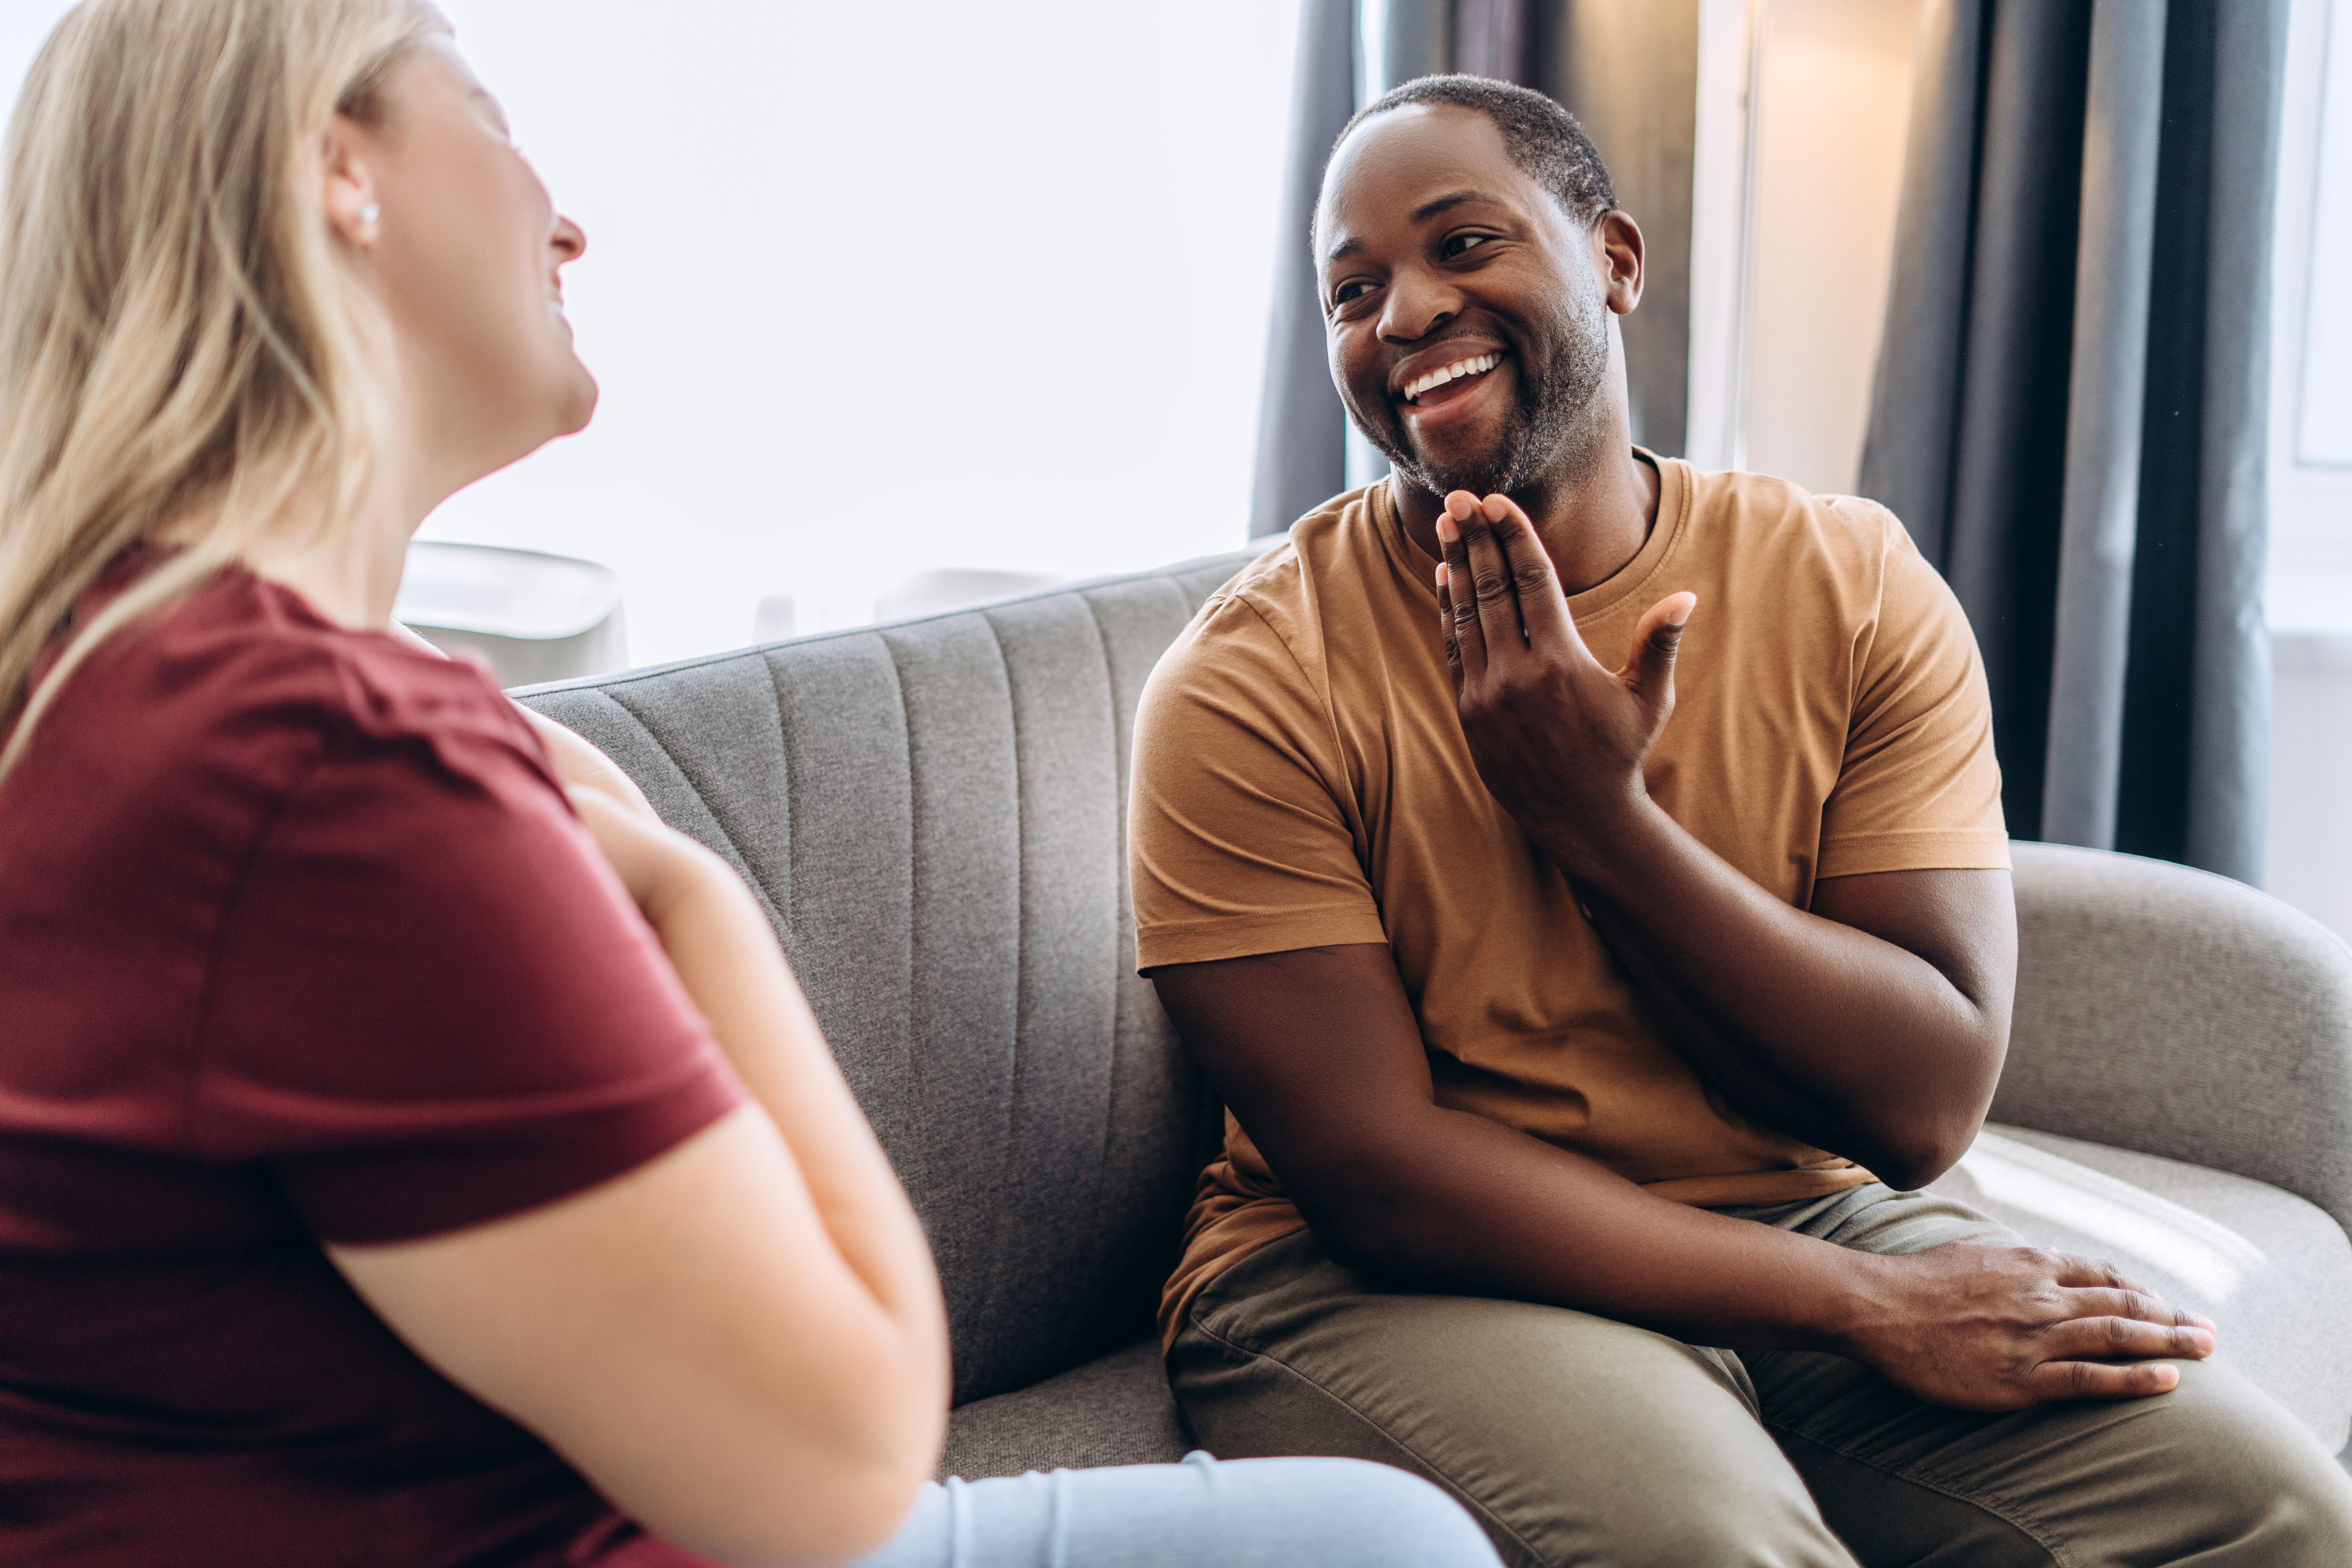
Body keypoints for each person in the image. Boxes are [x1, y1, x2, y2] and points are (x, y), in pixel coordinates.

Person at [0, 5, 1507, 1566]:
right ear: (339, 170)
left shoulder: (100, 677)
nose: (564, 218)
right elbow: (841, 1466)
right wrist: (675, 880)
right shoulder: (326, 775)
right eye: (494, 121)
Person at [1130, 73, 2352, 1568]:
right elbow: (1377, 1177)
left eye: (1463, 244)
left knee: (2275, 1514)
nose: (1403, 314)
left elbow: (1922, 1105)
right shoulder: (1247, 683)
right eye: (1352, 290)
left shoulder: (1852, 586)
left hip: (1806, 1218)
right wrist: (1867, 1309)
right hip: (1380, 1278)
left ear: (1616, 260)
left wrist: (1604, 821)